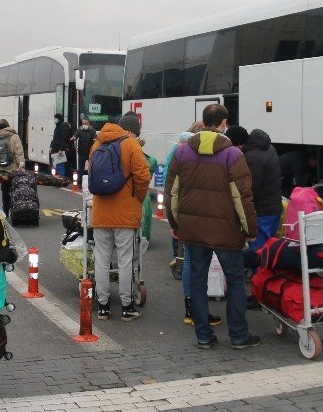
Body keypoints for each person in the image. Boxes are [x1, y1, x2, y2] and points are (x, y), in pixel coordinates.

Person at [165, 103, 260, 350]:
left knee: (197, 282)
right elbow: (242, 198)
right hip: (227, 232)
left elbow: (172, 193)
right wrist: (250, 230)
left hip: (193, 230)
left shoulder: (182, 153)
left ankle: (204, 336)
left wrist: (175, 224)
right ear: (224, 123)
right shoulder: (233, 155)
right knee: (236, 281)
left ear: (203, 121)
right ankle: (239, 336)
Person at [90, 111, 151, 321]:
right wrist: (137, 199)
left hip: (100, 213)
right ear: (132, 131)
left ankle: (103, 307)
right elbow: (143, 176)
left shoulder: (97, 145)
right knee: (125, 261)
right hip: (125, 214)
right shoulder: (132, 145)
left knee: (101, 259)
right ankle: (127, 307)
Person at [241, 128, 283, 253]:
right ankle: (268, 272)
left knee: (259, 251)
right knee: (271, 248)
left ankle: (258, 272)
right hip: (274, 206)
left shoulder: (253, 157)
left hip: (262, 211)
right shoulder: (269, 148)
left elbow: (251, 188)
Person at [0, 119, 25, 217]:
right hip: (13, 170)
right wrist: (21, 166)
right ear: (8, 126)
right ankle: (15, 210)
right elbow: (18, 153)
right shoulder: (14, 136)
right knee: (15, 190)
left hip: (1, 171)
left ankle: (6, 211)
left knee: (5, 192)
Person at [49, 113, 72, 177]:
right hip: (55, 148)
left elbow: (64, 139)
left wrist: (61, 149)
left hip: (59, 149)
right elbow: (55, 138)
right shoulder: (58, 126)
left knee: (60, 164)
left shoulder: (62, 127)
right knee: (56, 164)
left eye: (55, 118)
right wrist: (51, 146)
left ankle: (61, 178)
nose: (54, 120)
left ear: (58, 119)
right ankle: (57, 177)